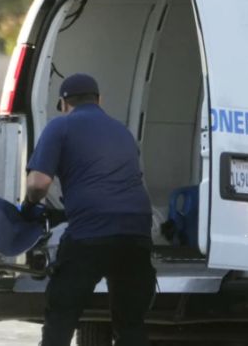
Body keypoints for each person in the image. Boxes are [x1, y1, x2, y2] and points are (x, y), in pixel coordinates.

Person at [21, 73, 156, 346]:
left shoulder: (60, 127)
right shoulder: (122, 131)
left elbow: (38, 183)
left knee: (61, 314)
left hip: (91, 232)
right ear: (99, 100)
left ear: (63, 103)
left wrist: (27, 206)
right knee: (130, 324)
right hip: (137, 232)